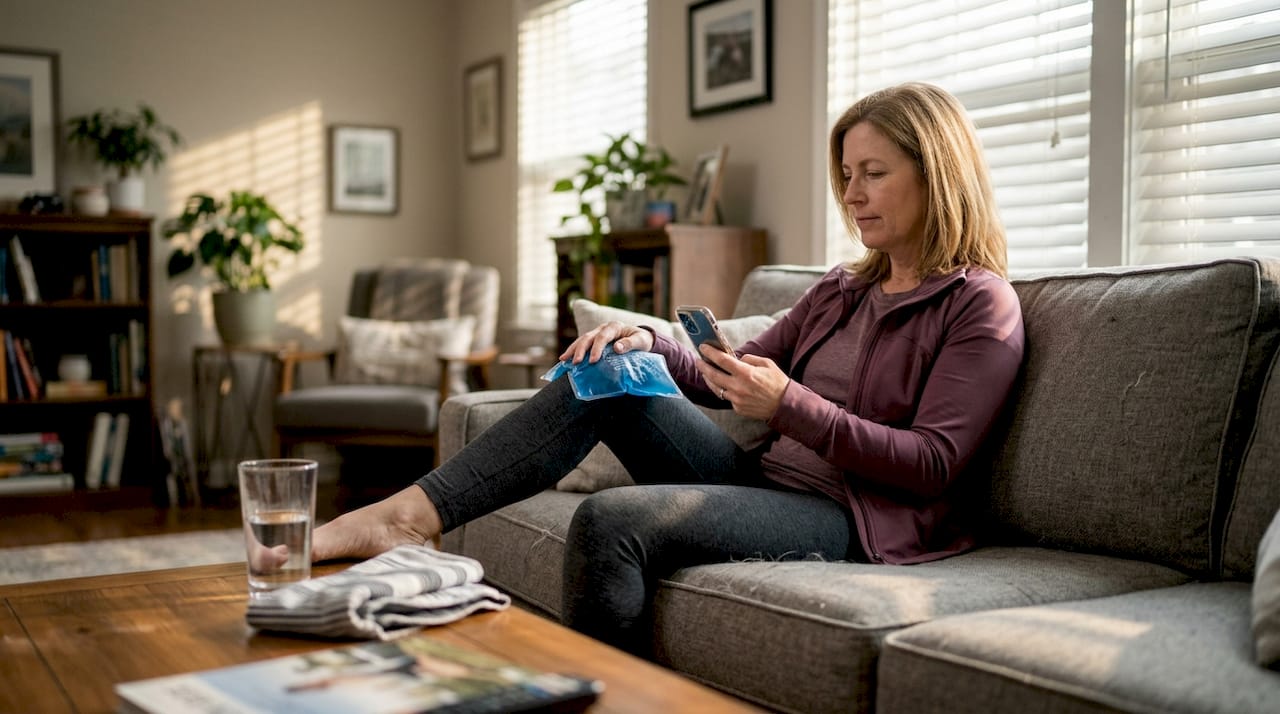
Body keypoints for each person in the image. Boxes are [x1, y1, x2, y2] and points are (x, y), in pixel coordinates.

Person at [313, 82, 1026, 654]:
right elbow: (731, 372)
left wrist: (790, 407)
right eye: (846, 175)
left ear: (937, 174)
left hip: (854, 521)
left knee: (610, 519)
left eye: (874, 174)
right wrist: (649, 344)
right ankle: (406, 518)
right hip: (762, 484)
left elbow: (934, 463)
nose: (853, 194)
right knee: (610, 374)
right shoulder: (845, 287)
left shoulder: (978, 305)